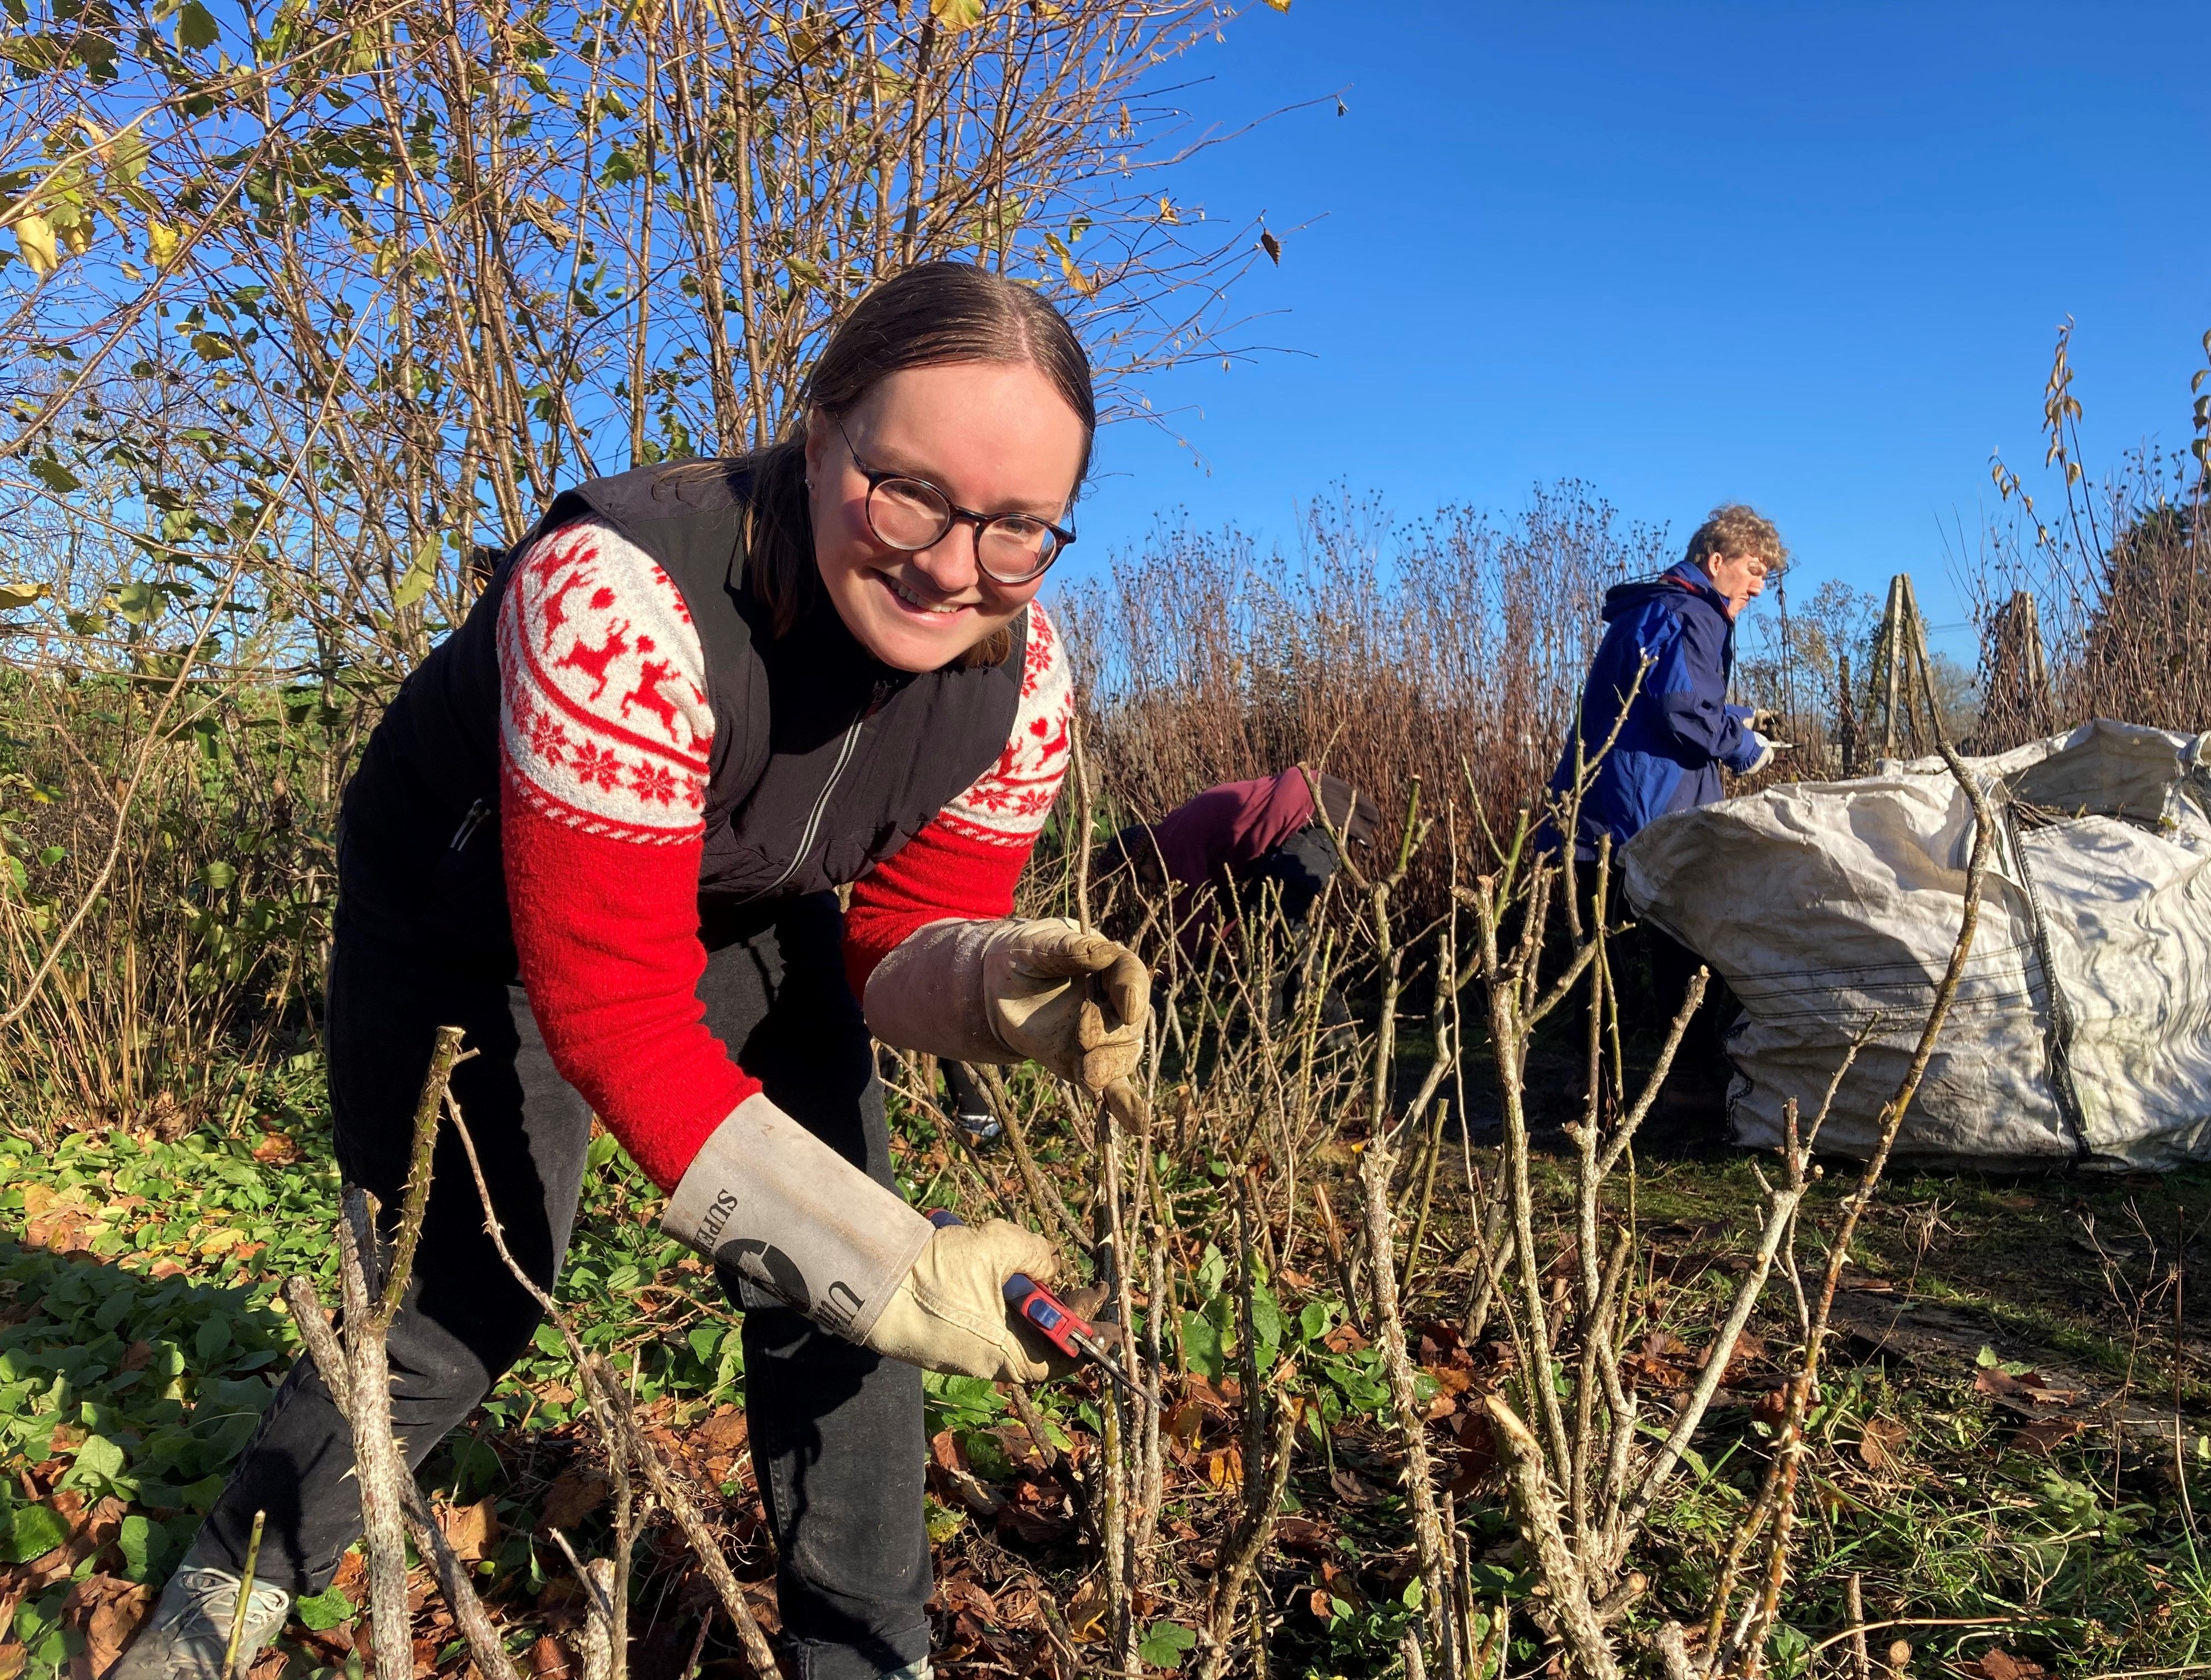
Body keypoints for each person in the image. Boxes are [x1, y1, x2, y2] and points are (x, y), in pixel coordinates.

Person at [111, 263, 1149, 1680]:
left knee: (842, 1287)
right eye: (909, 493)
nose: (953, 566)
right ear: (820, 434)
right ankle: (235, 1583)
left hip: (741, 903)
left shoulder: (1021, 680)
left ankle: (866, 1657)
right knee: (454, 1304)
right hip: (469, 913)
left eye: (1018, 526)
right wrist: (891, 1266)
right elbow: (615, 1010)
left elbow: (905, 925)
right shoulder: (620, 597)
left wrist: (993, 982)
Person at [1543, 504, 1787, 1091]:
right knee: (1691, 948)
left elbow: (1653, 700)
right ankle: (1691, 1085)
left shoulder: (1656, 609)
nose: (1759, 586)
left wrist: (1738, 715)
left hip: (1596, 812)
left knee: (1598, 958)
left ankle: (1596, 1090)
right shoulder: (1693, 613)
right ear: (1716, 561)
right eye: (1753, 570)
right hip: (1650, 818)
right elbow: (1683, 712)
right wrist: (1743, 748)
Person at [1102, 766, 1380, 1027]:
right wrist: (1208, 947)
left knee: (1276, 919)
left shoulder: (1172, 846)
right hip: (1308, 810)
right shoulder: (1181, 835)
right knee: (1260, 919)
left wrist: (1162, 979)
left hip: (1313, 807)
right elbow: (1223, 909)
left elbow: (1192, 916)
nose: (1150, 886)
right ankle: (1266, 1022)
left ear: (1141, 860)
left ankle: (1334, 1027)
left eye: (1141, 878)